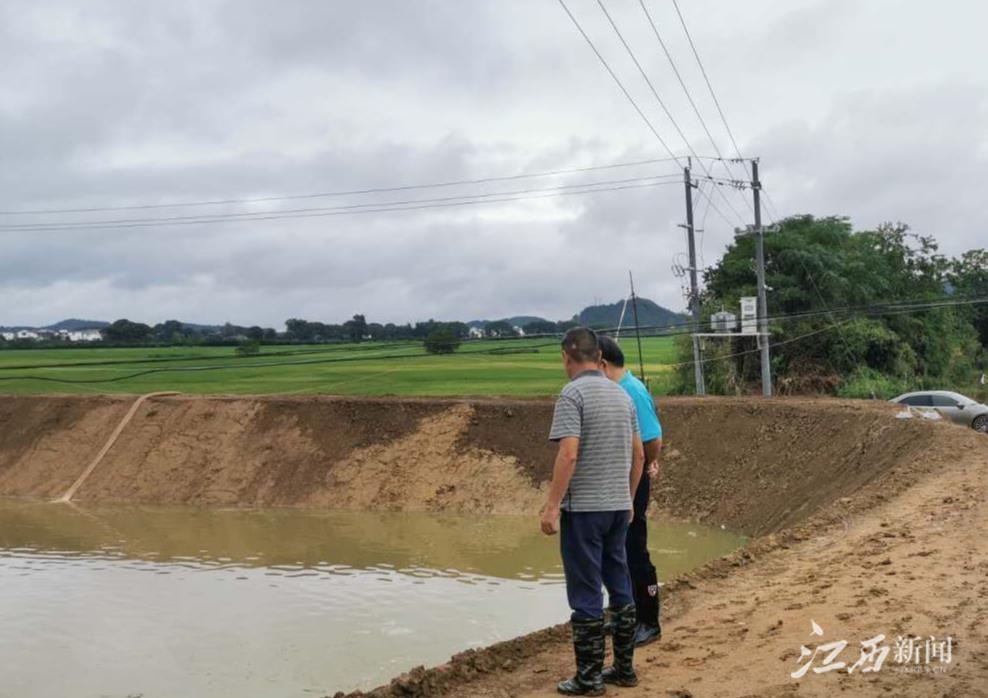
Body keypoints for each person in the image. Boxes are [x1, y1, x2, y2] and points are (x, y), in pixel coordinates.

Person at [541, 327, 645, 695]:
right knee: (619, 584)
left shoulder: (572, 394)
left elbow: (568, 453)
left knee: (585, 591)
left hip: (585, 510)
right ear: (598, 356)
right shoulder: (622, 395)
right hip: (618, 507)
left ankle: (588, 677)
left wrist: (552, 506)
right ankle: (625, 670)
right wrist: (629, 498)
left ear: (568, 356)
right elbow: (640, 455)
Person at [598, 335, 663, 646]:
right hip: (618, 480)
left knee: (635, 549)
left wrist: (651, 461)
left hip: (632, 482)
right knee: (618, 550)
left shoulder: (631, 391)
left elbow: (653, 438)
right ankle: (627, 613)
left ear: (602, 363)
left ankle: (649, 621)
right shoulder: (616, 389)